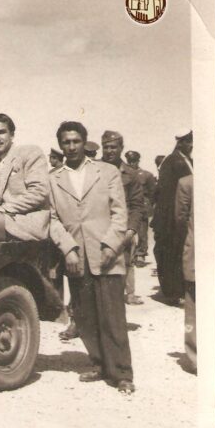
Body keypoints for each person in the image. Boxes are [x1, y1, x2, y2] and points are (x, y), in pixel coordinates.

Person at [49, 121, 134, 394]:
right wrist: (68, 248)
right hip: (75, 256)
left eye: (76, 141)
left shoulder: (107, 171)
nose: (71, 146)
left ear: (84, 142)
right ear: (60, 145)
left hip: (107, 254)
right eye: (66, 142)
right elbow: (52, 219)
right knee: (85, 316)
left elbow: (120, 212)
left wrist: (111, 245)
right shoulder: (53, 178)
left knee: (113, 316)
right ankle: (99, 364)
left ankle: (122, 373)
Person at [0, 113, 50, 242]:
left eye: (2, 132)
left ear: (12, 135)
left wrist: (2, 209)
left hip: (29, 224)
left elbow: (39, 192)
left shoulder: (30, 153)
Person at [101, 131, 145, 305]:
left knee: (121, 269)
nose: (109, 151)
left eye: (113, 147)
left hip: (122, 229)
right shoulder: (94, 169)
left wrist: (132, 229)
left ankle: (119, 307)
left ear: (121, 148)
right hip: (99, 227)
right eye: (106, 147)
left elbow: (137, 205)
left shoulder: (131, 174)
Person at [152, 130, 193, 305]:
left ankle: (179, 290)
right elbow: (166, 194)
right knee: (169, 254)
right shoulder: (173, 161)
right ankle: (172, 293)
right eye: (189, 142)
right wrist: (172, 221)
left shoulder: (186, 160)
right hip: (170, 218)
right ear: (181, 142)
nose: (192, 145)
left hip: (180, 215)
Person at [175, 174, 195, 371]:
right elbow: (181, 220)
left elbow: (180, 220)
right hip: (198, 253)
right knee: (194, 305)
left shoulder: (187, 182)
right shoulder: (187, 183)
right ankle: (196, 357)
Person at [125, 150, 156, 266]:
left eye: (134, 161)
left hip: (142, 206)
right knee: (128, 231)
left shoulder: (147, 175)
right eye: (129, 161)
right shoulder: (124, 174)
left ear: (138, 161)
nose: (131, 163)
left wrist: (148, 205)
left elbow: (152, 193)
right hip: (127, 206)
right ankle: (128, 254)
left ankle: (140, 254)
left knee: (142, 232)